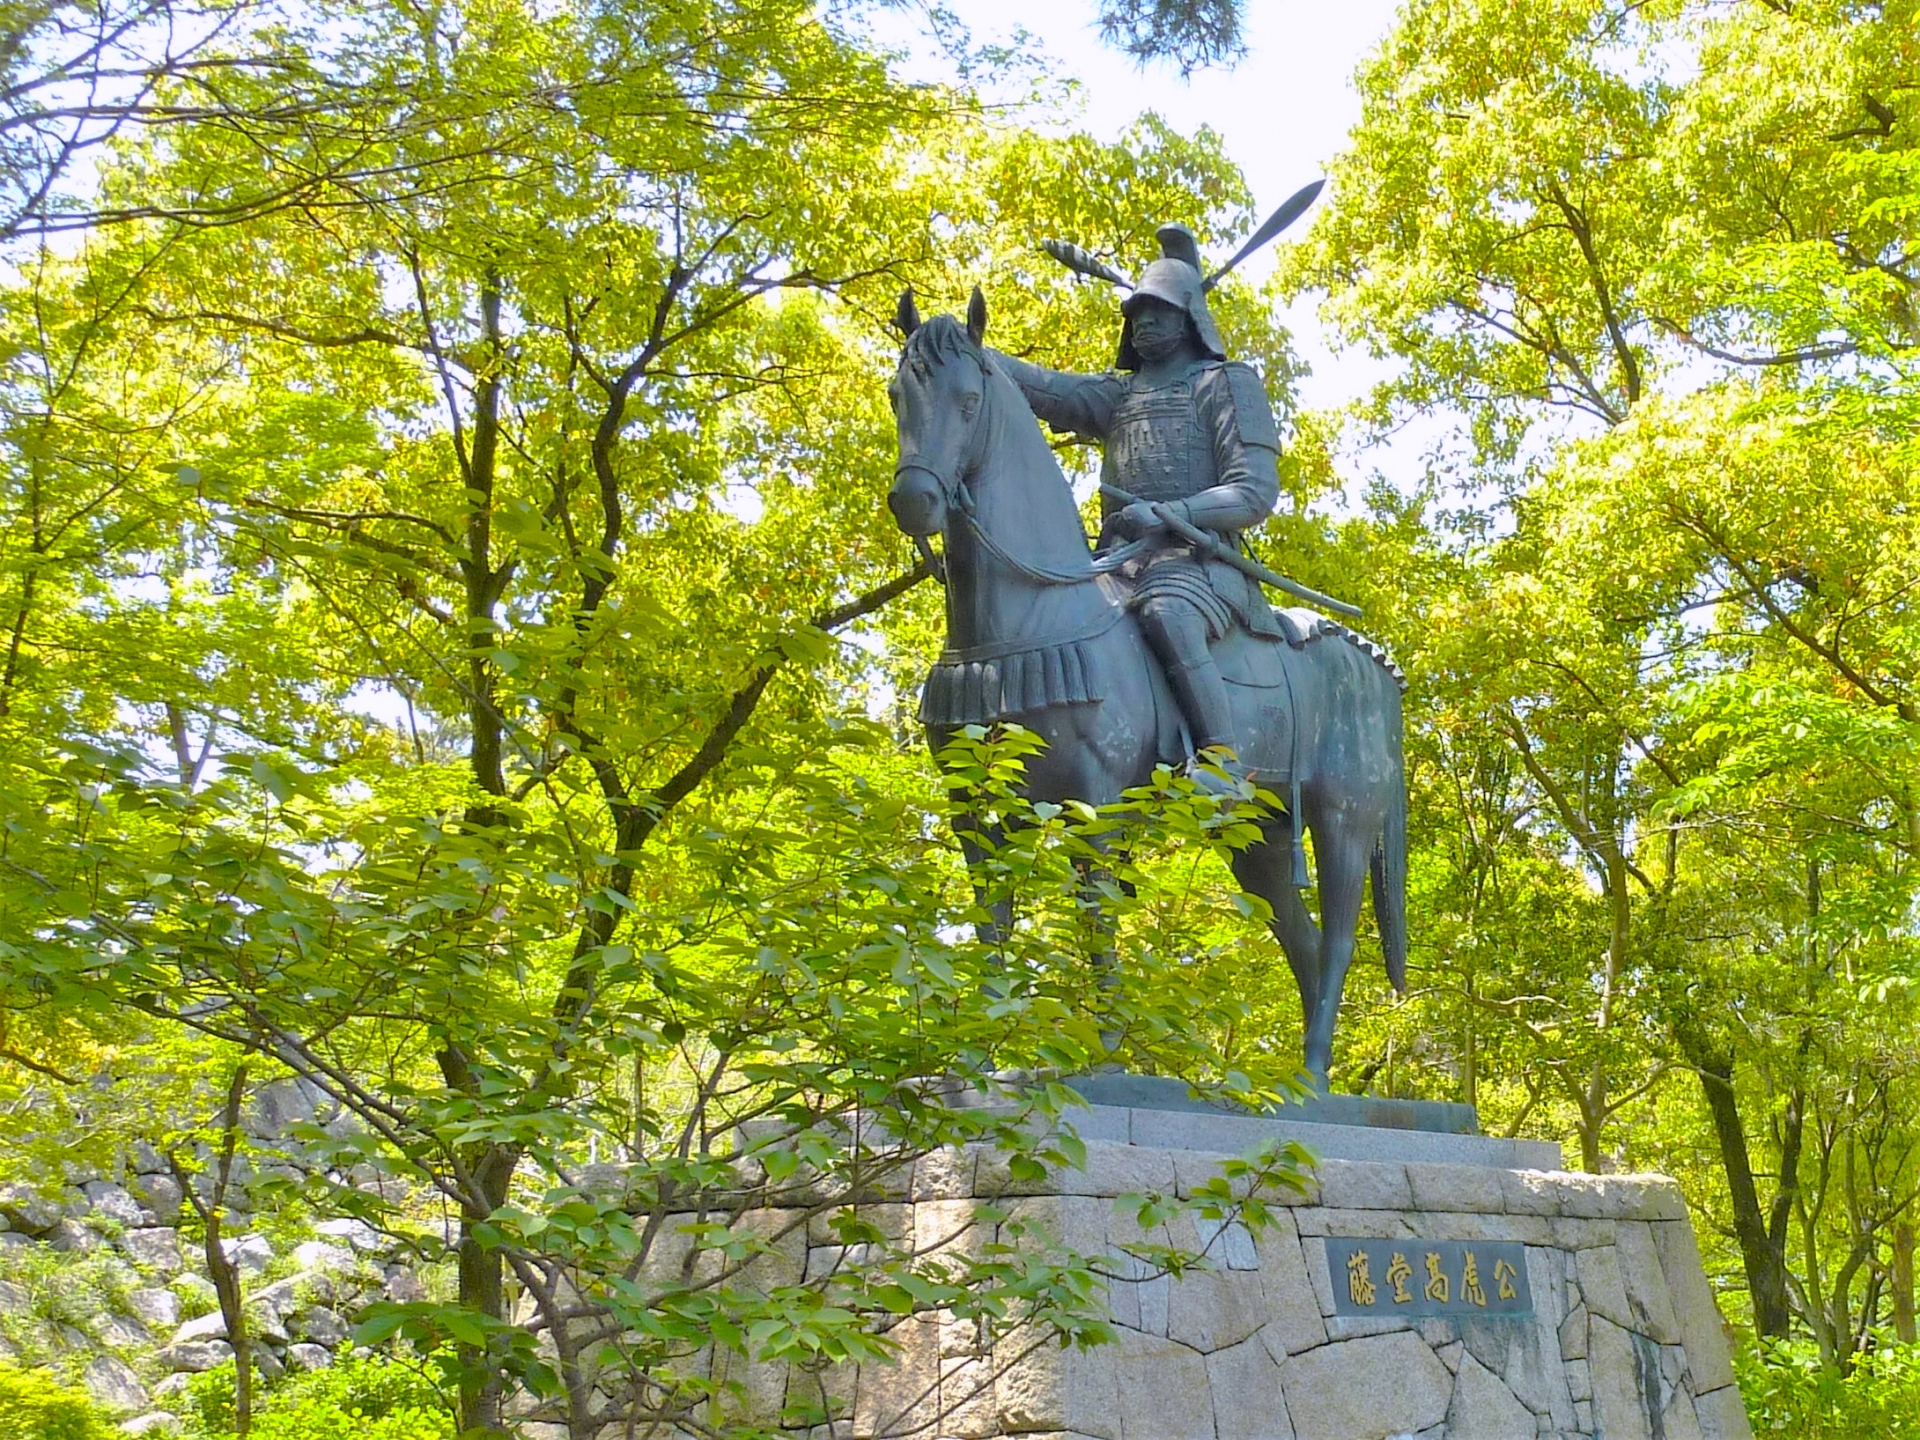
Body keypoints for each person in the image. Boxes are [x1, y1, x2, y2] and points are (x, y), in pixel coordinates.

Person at [993, 223, 1283, 759]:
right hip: (1113, 566)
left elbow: (1254, 491)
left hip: (1197, 564)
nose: (1143, 322)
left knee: (1166, 613)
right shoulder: (1118, 395)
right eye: (1135, 313)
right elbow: (1046, 387)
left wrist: (1173, 512)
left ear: (1189, 314)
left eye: (1158, 310)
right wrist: (969, 351)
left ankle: (1221, 761)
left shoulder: (1226, 384)